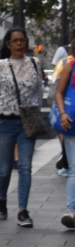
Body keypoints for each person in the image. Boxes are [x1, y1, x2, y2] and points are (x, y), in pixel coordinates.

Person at [0, 27, 42, 227]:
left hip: (27, 122)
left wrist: (34, 111)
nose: (19, 44)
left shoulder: (35, 63)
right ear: (8, 44)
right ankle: (2, 199)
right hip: (5, 122)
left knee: (25, 166)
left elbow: (38, 90)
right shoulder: (1, 65)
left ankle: (22, 211)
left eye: (22, 40)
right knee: (5, 167)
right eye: (15, 40)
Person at [54, 52, 75, 227]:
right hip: (72, 124)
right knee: (74, 170)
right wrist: (62, 113)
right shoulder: (71, 65)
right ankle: (71, 211)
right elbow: (59, 93)